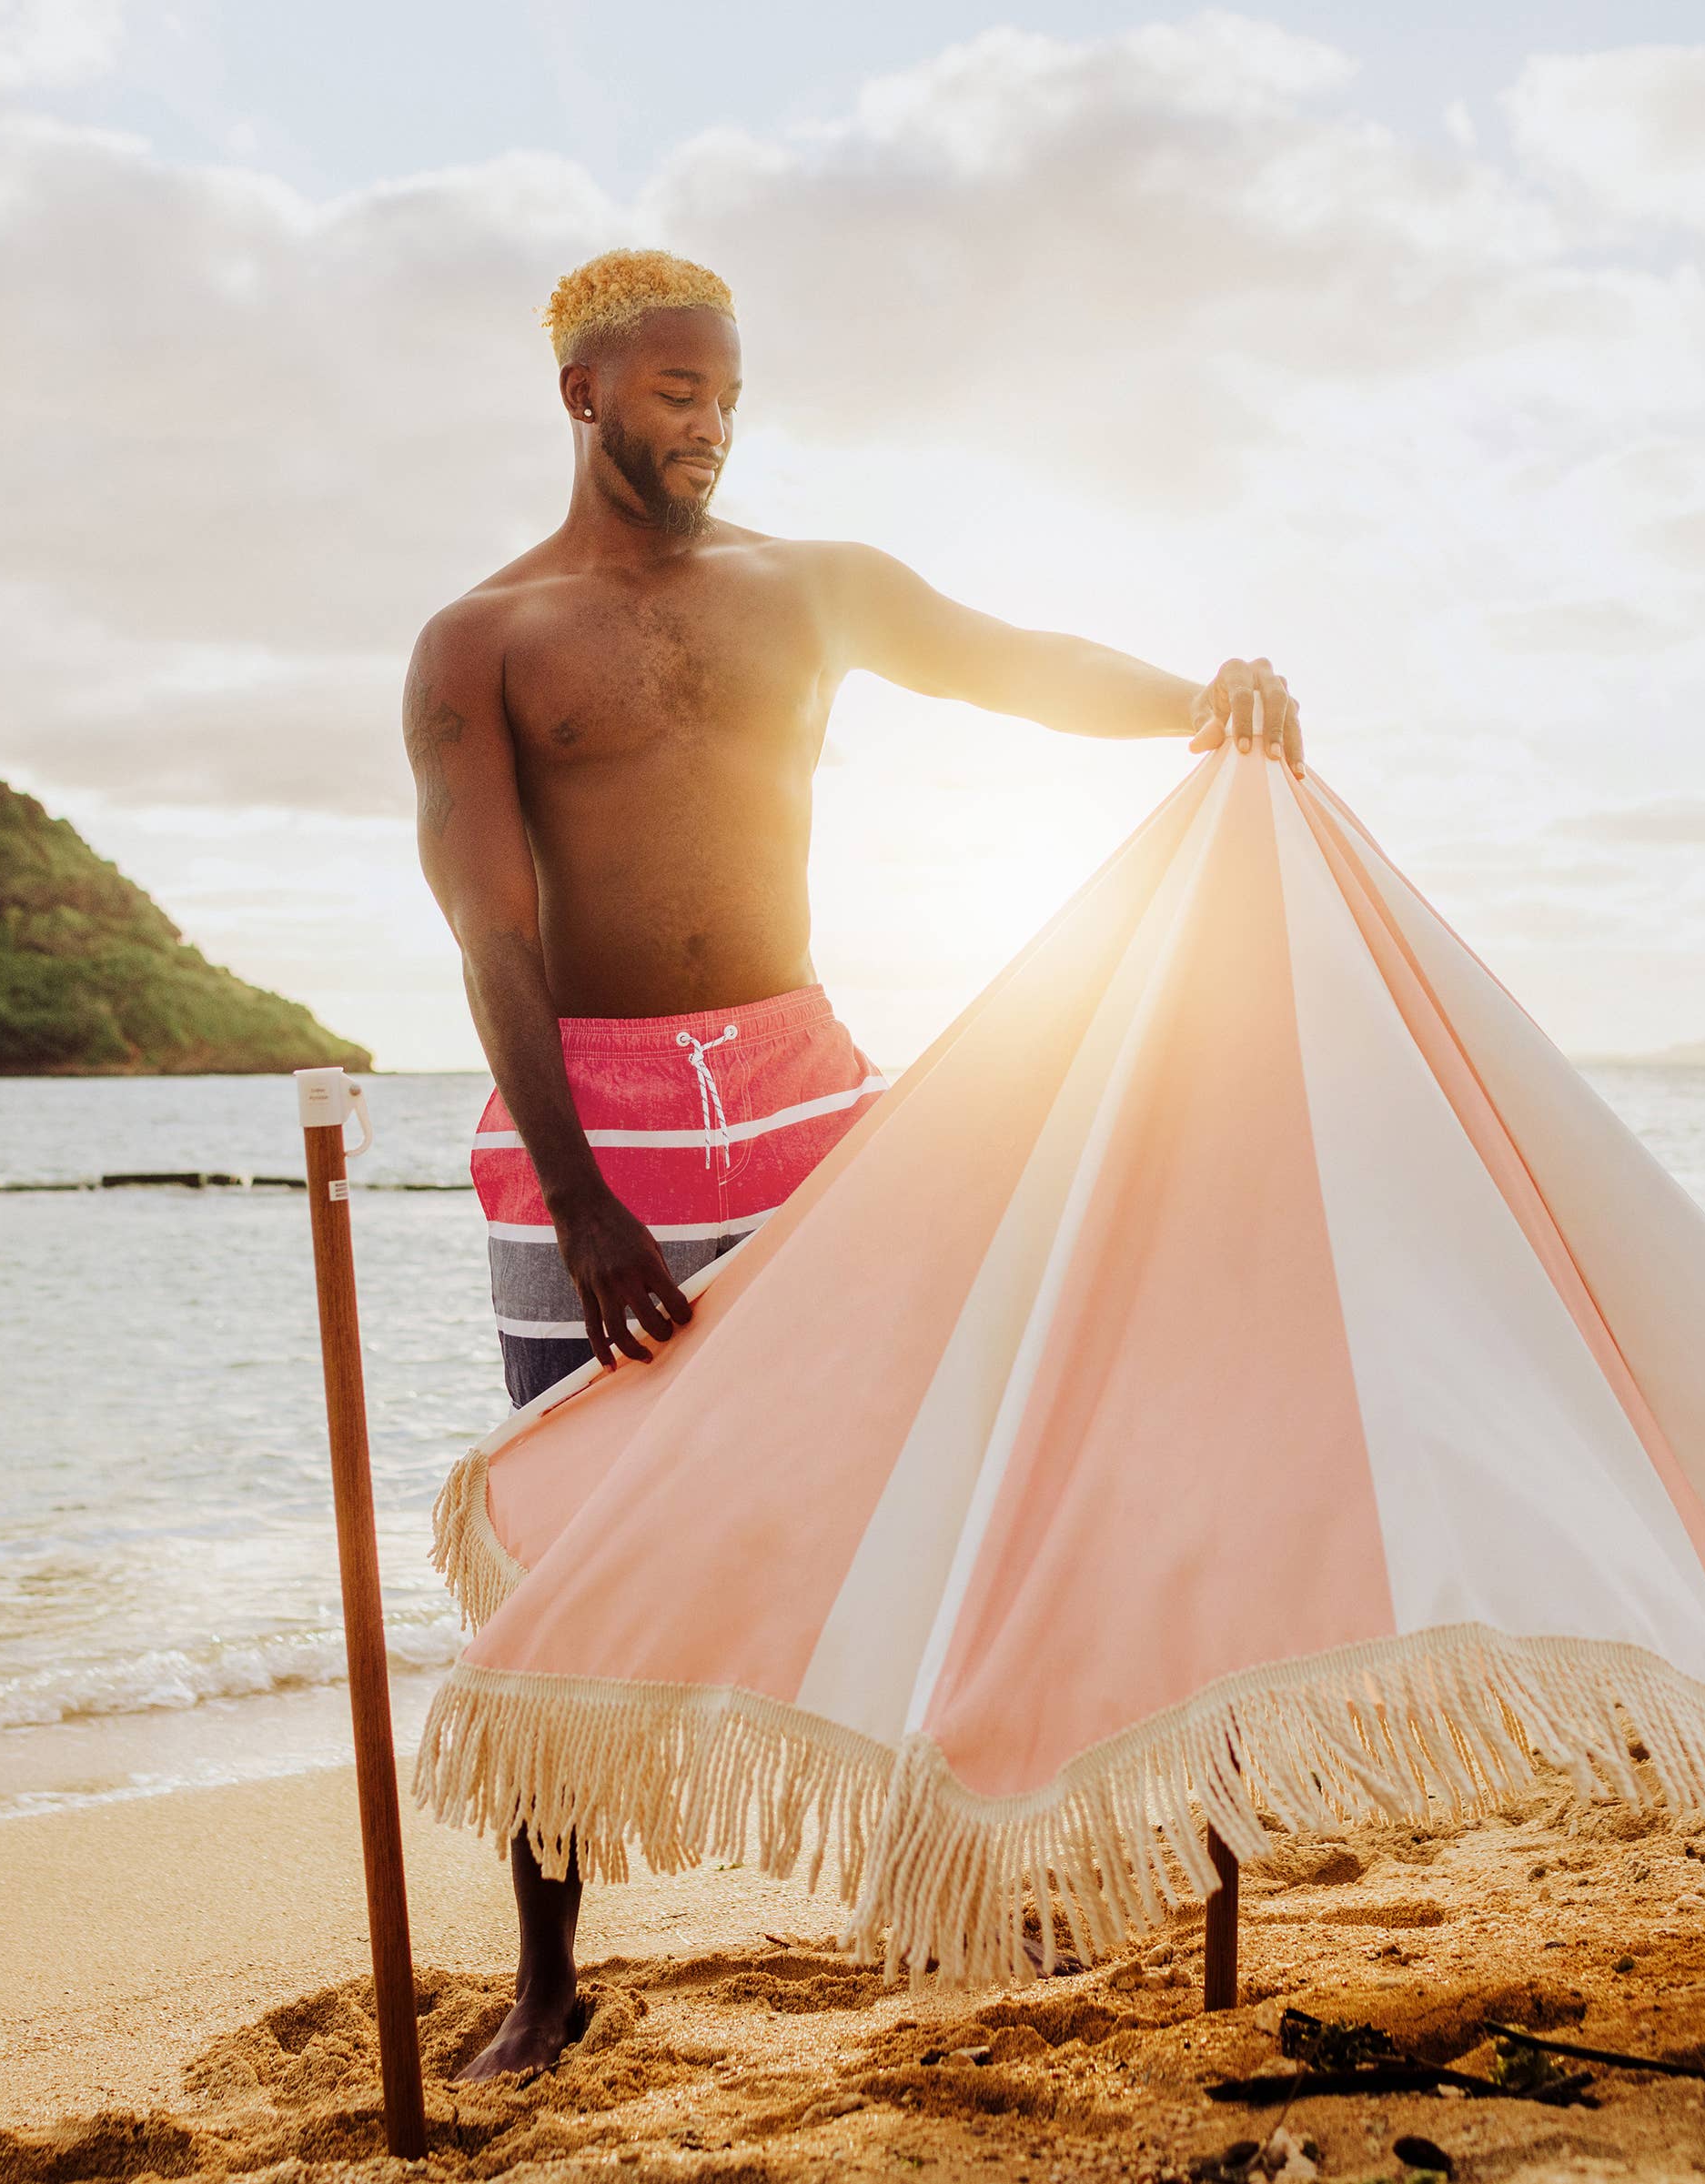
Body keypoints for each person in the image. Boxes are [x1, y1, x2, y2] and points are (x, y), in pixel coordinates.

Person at [403, 247, 1306, 2079]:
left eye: (728, 392)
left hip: (809, 1084)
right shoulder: (481, 645)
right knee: (575, 1534)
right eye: (674, 394)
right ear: (586, 397)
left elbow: (1009, 664)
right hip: (594, 1119)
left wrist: (1190, 698)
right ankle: (547, 1977)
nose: (711, 425)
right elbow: (492, 936)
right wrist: (580, 1198)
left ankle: (970, 1864)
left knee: (939, 1470)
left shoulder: (813, 590)